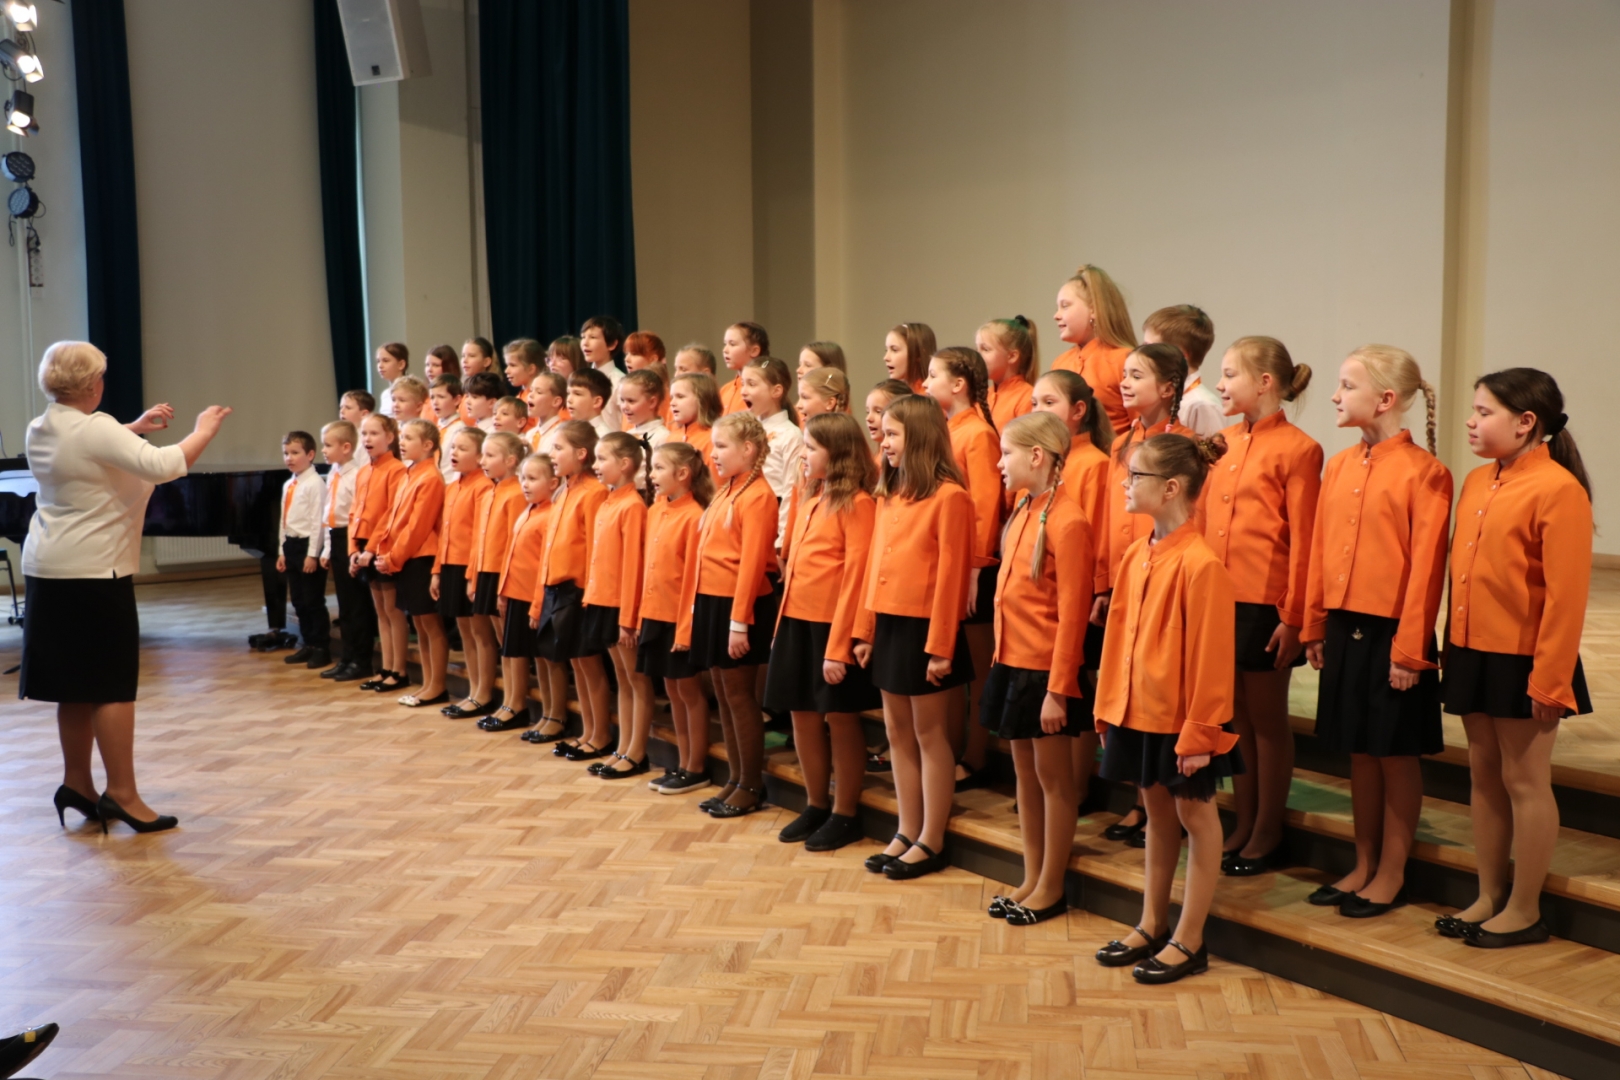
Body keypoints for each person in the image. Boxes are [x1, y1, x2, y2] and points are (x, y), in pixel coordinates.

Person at [20, 341, 230, 834]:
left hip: (48, 567)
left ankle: (77, 783)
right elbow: (164, 465)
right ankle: (123, 794)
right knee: (111, 686)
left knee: (73, 685)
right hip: (95, 570)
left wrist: (131, 428)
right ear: (92, 385)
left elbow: (84, 450)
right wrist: (203, 430)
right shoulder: (96, 428)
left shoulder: (41, 426)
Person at [1441, 368, 1593, 948]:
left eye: (1484, 413)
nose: (1471, 422)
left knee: (1525, 781)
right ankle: (1488, 895)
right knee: (1483, 775)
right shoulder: (1478, 480)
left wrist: (1550, 680)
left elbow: (1565, 597)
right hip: (1471, 648)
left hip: (1524, 658)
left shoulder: (1558, 489)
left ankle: (1526, 908)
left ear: (1526, 422)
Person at [1302, 345, 1451, 918]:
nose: (1335, 396)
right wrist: (1316, 622)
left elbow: (1426, 572)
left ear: (1385, 399)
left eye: (1347, 386)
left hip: (1394, 633)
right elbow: (1319, 549)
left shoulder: (1426, 473)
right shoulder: (1340, 465)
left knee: (1395, 754)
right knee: (1359, 752)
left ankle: (1393, 871)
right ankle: (1363, 863)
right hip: (1344, 624)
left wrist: (1410, 651)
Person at [1093, 433, 1238, 984]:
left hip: (1181, 721)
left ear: (1171, 488)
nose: (1125, 485)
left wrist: (1200, 734)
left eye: (1136, 477)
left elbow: (1211, 661)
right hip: (1137, 712)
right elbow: (1117, 641)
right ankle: (1152, 922)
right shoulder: (1137, 554)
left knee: (1195, 818)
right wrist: (1108, 708)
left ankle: (1190, 937)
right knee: (1156, 814)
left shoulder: (1201, 564)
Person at [1205, 336, 1321, 876]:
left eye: (1230, 374)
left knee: (1268, 720)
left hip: (1265, 606)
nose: (1220, 384)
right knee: (1234, 717)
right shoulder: (1221, 443)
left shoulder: (1299, 449)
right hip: (1219, 598)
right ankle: (1245, 820)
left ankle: (1269, 828)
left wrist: (1295, 617)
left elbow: (1304, 540)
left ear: (1265, 382)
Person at [852, 395, 975, 880]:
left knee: (929, 734)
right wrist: (865, 630)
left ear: (919, 438)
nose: (883, 441)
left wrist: (941, 647)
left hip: (927, 630)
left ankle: (932, 837)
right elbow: (874, 565)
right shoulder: (890, 493)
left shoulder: (950, 496)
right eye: (883, 433)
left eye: (892, 433)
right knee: (896, 733)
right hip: (889, 623)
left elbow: (952, 576)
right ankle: (906, 829)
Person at [983, 413, 1094, 925]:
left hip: (1044, 672)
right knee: (1024, 777)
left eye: (1006, 453)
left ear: (1036, 456)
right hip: (1013, 662)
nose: (999, 464)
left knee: (1054, 781)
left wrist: (1058, 688)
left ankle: (1052, 885)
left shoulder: (1068, 521)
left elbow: (1072, 614)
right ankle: (1031, 876)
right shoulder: (1025, 508)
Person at [764, 412, 881, 851]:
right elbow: (795, 569)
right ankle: (816, 803)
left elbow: (856, 577)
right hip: (796, 620)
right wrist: (781, 627)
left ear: (839, 453)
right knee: (802, 714)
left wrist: (840, 646)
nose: (804, 455)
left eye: (812, 448)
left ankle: (845, 812)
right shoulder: (811, 496)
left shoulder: (859, 503)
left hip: (832, 627)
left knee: (841, 719)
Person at [675, 412, 780, 817]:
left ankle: (751, 784)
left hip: (741, 606)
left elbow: (752, 564)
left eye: (721, 446)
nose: (712, 454)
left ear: (748, 449)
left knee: (740, 697)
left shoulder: (759, 495)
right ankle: (735, 779)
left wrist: (739, 622)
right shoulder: (727, 489)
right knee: (722, 694)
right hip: (714, 602)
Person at [924, 346, 1003, 791]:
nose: (924, 383)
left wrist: (976, 568)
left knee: (977, 671)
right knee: (953, 669)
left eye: (932, 375)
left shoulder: (978, 434)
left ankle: (976, 755)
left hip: (975, 568)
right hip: (949, 565)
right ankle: (951, 751)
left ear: (958, 384)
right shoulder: (946, 430)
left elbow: (985, 508)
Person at [531, 422, 611, 756]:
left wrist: (590, 594)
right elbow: (550, 548)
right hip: (558, 589)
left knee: (590, 664)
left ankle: (600, 735)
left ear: (581, 453)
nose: (551, 454)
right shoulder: (564, 491)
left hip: (580, 591)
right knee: (577, 663)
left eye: (558, 448)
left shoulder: (593, 492)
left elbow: (595, 549)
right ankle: (587, 732)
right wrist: (539, 599)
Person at [639, 443, 714, 795]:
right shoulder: (656, 509)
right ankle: (682, 763)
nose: (651, 475)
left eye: (658, 468)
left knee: (688, 690)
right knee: (672, 689)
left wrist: (685, 630)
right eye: (651, 467)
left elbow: (693, 581)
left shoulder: (695, 515)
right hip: (655, 613)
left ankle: (696, 767)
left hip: (679, 617)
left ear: (682, 474)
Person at [580, 433, 653, 778]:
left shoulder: (633, 506)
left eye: (602, 459)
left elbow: (633, 566)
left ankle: (637, 752)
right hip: (603, 599)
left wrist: (629, 617)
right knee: (622, 679)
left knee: (636, 679)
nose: (595, 465)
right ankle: (623, 747)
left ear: (624, 464)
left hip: (622, 605)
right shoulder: (609, 501)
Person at [370, 419, 448, 708]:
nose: (401, 442)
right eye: (401, 437)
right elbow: (392, 518)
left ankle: (437, 686)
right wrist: (381, 550)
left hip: (421, 557)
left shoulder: (430, 478)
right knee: (419, 624)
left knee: (430, 624)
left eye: (408, 438)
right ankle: (428, 682)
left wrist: (394, 557)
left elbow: (418, 526)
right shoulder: (409, 473)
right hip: (405, 557)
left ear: (427, 445)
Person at [461, 432, 525, 723]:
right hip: (485, 571)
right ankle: (507, 701)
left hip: (503, 575)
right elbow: (478, 539)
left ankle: (515, 703)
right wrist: (472, 576)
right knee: (501, 640)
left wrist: (505, 586)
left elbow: (514, 545)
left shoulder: (516, 494)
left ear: (510, 460)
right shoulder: (489, 492)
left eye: (489, 455)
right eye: (482, 455)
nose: (482, 461)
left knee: (510, 641)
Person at [432, 427, 492, 715]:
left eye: (462, 448)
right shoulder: (453, 486)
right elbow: (444, 534)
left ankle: (484, 693)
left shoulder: (483, 487)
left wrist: (472, 575)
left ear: (480, 457)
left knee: (480, 632)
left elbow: (480, 536)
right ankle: (474, 690)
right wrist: (436, 571)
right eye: (453, 447)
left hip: (470, 566)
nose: (454, 453)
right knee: (466, 632)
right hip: (450, 564)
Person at [348, 415, 408, 692]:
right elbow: (354, 512)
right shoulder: (363, 471)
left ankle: (399, 670)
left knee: (393, 610)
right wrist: (353, 548)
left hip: (384, 546)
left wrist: (371, 549)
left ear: (390, 437)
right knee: (380, 610)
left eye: (374, 433)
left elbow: (390, 514)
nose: (367, 439)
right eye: (364, 434)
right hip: (364, 546)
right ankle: (385, 667)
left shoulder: (396, 470)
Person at [1050, 265, 1136, 431]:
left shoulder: (1125, 360)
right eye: (1057, 308)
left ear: (1094, 309)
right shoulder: (1060, 363)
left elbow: (1141, 427)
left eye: (1065, 306)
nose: (1056, 315)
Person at [317, 420, 371, 681]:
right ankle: (347, 658)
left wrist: (352, 548)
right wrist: (327, 549)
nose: (323, 450)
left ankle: (361, 660)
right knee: (344, 606)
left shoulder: (358, 475)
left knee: (356, 604)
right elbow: (329, 514)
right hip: (336, 537)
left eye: (328, 445)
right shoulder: (334, 473)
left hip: (352, 538)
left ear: (346, 447)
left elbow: (357, 514)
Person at [275, 431, 330, 670]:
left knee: (312, 600)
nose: (289, 458)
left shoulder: (315, 484)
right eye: (286, 453)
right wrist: (282, 550)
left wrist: (312, 554)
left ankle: (321, 648)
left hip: (308, 546)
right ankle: (308, 643)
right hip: (292, 545)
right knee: (298, 600)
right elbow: (284, 520)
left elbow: (318, 521)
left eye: (295, 453)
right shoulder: (289, 484)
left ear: (310, 454)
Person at [739, 357, 803, 544]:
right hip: (745, 513)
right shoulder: (745, 431)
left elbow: (790, 491)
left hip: (770, 517)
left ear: (776, 391)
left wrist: (782, 540)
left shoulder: (790, 434)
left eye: (751, 384)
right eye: (743, 384)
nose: (744, 391)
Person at [1143, 305, 1224, 438]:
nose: (1142, 354)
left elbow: (1212, 450)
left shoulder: (1202, 405)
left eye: (1150, 348)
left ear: (1180, 355)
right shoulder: (1159, 395)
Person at [978, 316, 1039, 432]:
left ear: (1011, 356)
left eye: (985, 349)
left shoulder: (1027, 398)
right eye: (978, 349)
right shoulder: (983, 396)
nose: (977, 356)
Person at [580, 316, 628, 429]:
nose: (585, 343)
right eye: (583, 337)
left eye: (593, 337)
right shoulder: (580, 379)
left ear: (612, 344)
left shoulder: (620, 382)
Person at [719, 322, 769, 414]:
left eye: (732, 344)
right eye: (725, 344)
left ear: (754, 350)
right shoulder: (724, 390)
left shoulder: (762, 390)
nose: (725, 350)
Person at [883, 323, 935, 394]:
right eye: (886, 350)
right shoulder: (894, 394)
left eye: (894, 350)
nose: (886, 358)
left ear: (917, 353)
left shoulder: (927, 395)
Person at [566, 369, 615, 437]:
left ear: (597, 402)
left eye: (577, 394)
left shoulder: (603, 437)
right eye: (568, 393)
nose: (569, 400)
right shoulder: (568, 431)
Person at [374, 342, 408, 418]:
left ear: (401, 364)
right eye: (378, 361)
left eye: (386, 361)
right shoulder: (385, 394)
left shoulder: (410, 392)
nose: (380, 365)